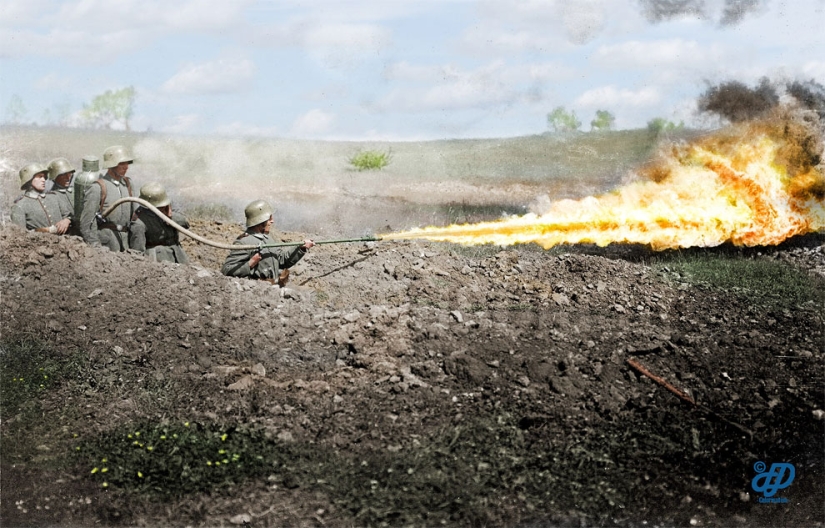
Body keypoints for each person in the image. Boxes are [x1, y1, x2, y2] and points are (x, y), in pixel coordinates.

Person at [221, 200, 314, 284]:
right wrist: (250, 264)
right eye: (269, 218)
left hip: (272, 289)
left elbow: (282, 260)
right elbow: (226, 269)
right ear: (260, 220)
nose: (272, 221)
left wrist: (301, 248)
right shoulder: (243, 242)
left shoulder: (268, 238)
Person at [79, 145, 135, 251]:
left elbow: (135, 217)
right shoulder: (97, 187)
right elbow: (87, 222)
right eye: (121, 163)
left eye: (127, 163)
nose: (126, 167)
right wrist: (96, 246)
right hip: (107, 245)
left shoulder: (128, 184)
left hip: (126, 243)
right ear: (111, 165)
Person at [129, 182, 190, 264]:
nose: (163, 207)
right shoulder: (139, 223)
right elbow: (137, 253)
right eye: (160, 206)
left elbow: (185, 224)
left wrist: (170, 217)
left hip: (178, 256)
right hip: (158, 260)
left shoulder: (167, 211)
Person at [11, 162, 72, 234]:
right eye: (40, 177)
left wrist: (66, 220)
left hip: (65, 242)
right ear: (29, 179)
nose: (43, 180)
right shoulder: (20, 206)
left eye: (44, 177)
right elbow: (19, 235)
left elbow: (69, 215)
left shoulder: (54, 197)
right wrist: (44, 230)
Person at [47, 157, 78, 235]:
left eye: (69, 173)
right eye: (63, 175)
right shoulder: (51, 197)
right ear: (55, 177)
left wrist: (69, 219)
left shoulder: (76, 191)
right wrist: (68, 219)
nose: (68, 177)